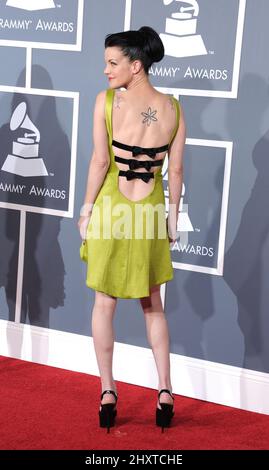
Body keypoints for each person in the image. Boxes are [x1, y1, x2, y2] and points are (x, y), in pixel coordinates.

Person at [78, 26, 186, 432]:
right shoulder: (173, 108)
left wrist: (86, 210)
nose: (105, 70)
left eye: (112, 62)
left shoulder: (106, 103)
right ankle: (165, 390)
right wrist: (173, 217)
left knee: (104, 303)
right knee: (152, 303)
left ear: (136, 65)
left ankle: (108, 391)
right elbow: (175, 170)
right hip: (148, 213)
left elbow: (99, 163)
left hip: (111, 209)